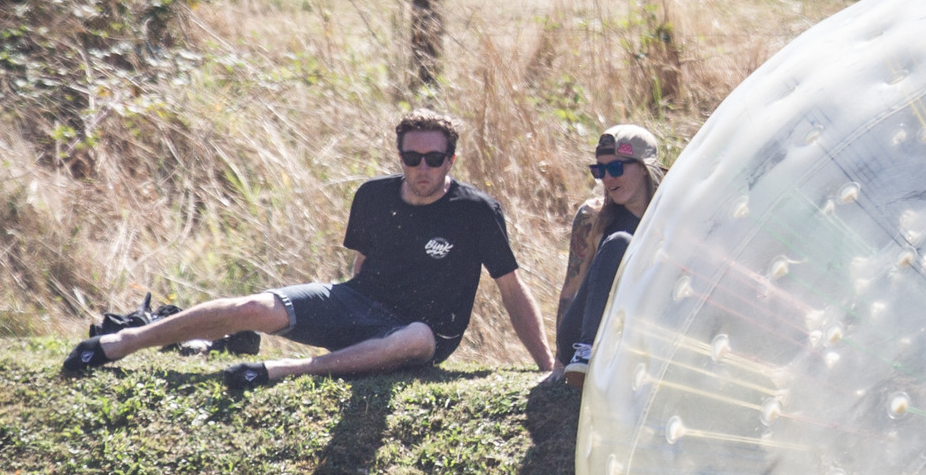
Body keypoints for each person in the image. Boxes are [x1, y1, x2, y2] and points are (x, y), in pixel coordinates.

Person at [62, 110, 554, 388]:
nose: (422, 168)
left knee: (418, 340)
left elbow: (511, 289)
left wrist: (546, 370)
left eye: (433, 158)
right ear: (399, 155)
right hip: (357, 305)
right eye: (412, 157)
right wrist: (343, 310)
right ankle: (119, 345)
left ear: (451, 158)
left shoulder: (476, 210)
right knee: (252, 306)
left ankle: (280, 371)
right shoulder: (372, 196)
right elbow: (359, 266)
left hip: (419, 333)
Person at [553, 125, 661, 386]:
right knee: (620, 243)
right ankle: (587, 351)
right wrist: (559, 362)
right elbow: (572, 288)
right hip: (581, 333)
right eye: (599, 170)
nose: (607, 179)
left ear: (644, 168)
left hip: (638, 332)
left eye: (615, 168)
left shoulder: (671, 216)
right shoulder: (593, 216)